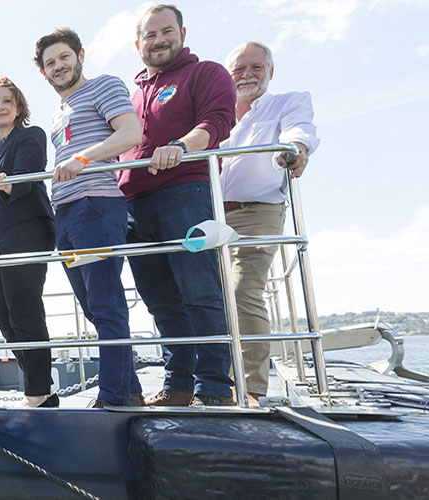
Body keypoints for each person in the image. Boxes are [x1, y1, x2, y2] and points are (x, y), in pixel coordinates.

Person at [120, 4, 238, 406]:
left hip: (186, 196)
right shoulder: (132, 94)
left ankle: (214, 388)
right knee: (160, 300)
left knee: (199, 290)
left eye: (166, 31)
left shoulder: (206, 73)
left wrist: (180, 147)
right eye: (150, 36)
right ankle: (179, 384)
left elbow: (218, 120)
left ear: (183, 34)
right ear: (138, 45)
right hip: (133, 207)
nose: (159, 41)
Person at [34, 29, 144, 408]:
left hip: (96, 205)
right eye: (50, 63)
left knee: (106, 303)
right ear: (43, 72)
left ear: (80, 55)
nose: (58, 66)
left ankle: (112, 400)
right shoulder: (57, 112)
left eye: (64, 57)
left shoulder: (103, 86)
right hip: (66, 215)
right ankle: (130, 392)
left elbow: (131, 132)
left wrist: (82, 159)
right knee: (91, 305)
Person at [220, 41, 319, 405]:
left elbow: (300, 131)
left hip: (258, 210)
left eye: (256, 68)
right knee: (208, 298)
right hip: (210, 212)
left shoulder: (287, 102)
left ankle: (251, 389)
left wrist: (296, 150)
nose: (247, 75)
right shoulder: (215, 113)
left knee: (243, 290)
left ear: (270, 72)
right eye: (239, 69)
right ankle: (215, 384)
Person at [0, 77, 58, 408]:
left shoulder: (29, 136)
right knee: (2, 315)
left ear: (19, 107)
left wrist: (6, 183)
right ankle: (43, 390)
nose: (0, 107)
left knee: (24, 310)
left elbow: (26, 176)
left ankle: (36, 391)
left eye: (7, 101)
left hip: (24, 232)